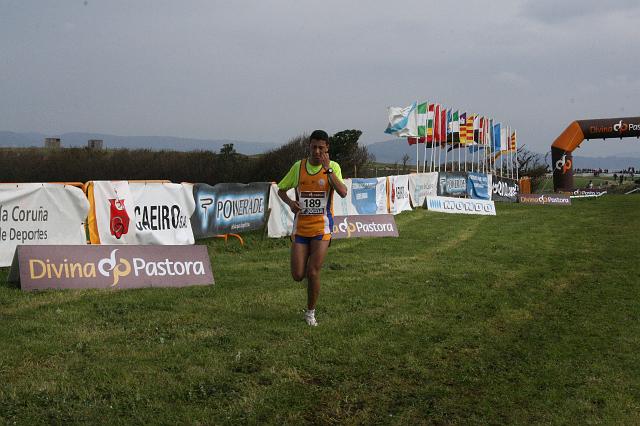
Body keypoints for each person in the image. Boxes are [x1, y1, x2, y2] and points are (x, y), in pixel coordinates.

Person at [277, 130, 348, 326]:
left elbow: (342, 192)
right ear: (309, 146)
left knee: (313, 271)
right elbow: (281, 189)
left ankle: (310, 313)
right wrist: (291, 203)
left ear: (327, 149)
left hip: (322, 228)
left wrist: (328, 170)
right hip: (301, 228)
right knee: (298, 275)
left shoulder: (333, 167)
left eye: (321, 148)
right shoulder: (298, 167)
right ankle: (307, 265)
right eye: (313, 147)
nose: (317, 151)